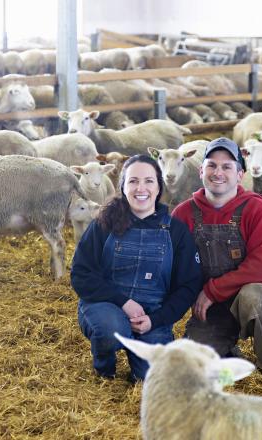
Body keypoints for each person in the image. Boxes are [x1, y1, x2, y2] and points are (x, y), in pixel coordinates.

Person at [71, 154, 202, 382]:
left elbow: (188, 286)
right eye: (133, 181)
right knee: (110, 331)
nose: (141, 188)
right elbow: (82, 274)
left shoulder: (176, 231)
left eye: (148, 181)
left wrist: (157, 319)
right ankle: (104, 368)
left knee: (152, 378)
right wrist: (124, 302)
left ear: (159, 187)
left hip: (153, 315)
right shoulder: (104, 224)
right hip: (107, 305)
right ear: (122, 186)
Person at [172, 137, 262, 378]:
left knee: (254, 297)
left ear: (240, 174)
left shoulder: (256, 209)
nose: (218, 172)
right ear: (201, 170)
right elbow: (175, 266)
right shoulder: (183, 213)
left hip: (250, 294)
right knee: (194, 367)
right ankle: (227, 350)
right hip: (209, 306)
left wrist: (212, 291)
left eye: (227, 167)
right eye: (212, 165)